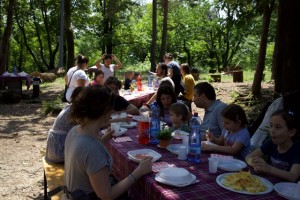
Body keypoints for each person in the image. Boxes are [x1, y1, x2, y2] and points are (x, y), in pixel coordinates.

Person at [63, 85, 152, 199]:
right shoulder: (92, 148)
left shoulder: (75, 131)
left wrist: (106, 137)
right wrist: (138, 172)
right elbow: (107, 195)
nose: (112, 112)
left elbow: (85, 157)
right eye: (111, 108)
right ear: (105, 112)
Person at [245, 110, 300, 182]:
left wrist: (269, 169)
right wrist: (256, 165)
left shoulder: (297, 150)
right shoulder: (270, 143)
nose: (272, 130)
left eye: (277, 127)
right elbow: (248, 157)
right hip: (269, 183)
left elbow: (293, 176)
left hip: (288, 190)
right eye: (271, 126)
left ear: (291, 132)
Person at [45, 87, 84, 163]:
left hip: (53, 149)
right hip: (58, 152)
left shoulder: (69, 107)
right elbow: (87, 125)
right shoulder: (74, 111)